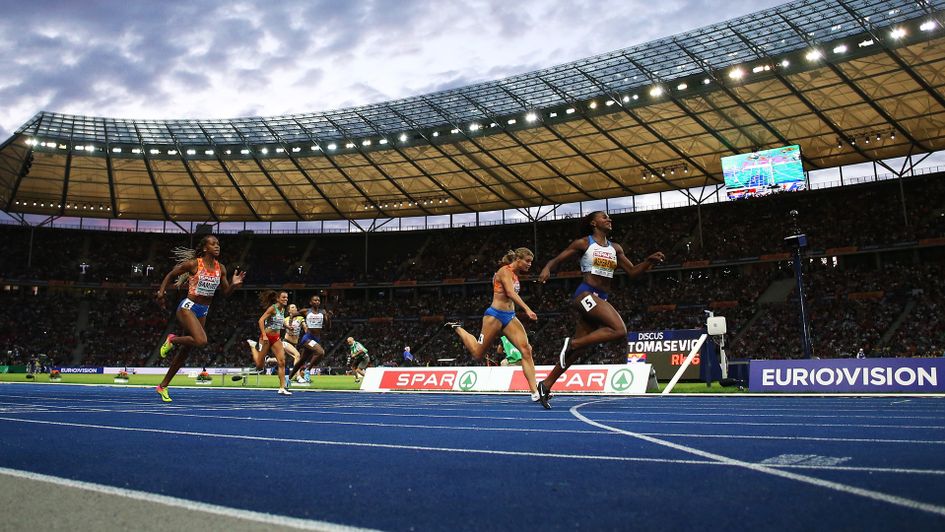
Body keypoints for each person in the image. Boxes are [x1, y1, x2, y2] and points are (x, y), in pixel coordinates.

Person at [536, 211, 664, 408]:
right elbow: (557, 259)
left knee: (578, 351)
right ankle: (572, 343)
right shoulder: (584, 243)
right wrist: (547, 268)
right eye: (604, 217)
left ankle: (546, 384)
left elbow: (632, 272)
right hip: (585, 294)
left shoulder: (616, 248)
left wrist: (648, 261)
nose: (609, 219)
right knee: (619, 330)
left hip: (600, 297)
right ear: (593, 223)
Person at [445, 248, 542, 407]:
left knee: (526, 350)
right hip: (494, 316)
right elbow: (510, 293)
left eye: (531, 261)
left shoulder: (515, 274)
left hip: (509, 317)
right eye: (527, 261)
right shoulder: (504, 271)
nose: (530, 264)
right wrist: (527, 309)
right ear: (518, 259)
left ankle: (535, 392)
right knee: (477, 354)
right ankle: (458, 328)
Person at [155, 235, 245, 403]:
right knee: (201, 341)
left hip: (203, 311)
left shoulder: (221, 268)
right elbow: (171, 274)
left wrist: (233, 284)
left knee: (185, 351)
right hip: (188, 307)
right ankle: (172, 339)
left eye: (218, 244)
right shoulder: (194, 264)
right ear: (205, 248)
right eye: (213, 244)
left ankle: (163, 386)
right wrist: (161, 292)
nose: (217, 246)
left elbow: (225, 293)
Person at [246, 290, 292, 395]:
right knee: (259, 366)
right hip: (266, 338)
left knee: (282, 362)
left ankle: (282, 388)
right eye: (283, 297)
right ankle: (253, 346)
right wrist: (264, 335)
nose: (286, 299)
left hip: (276, 338)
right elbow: (261, 320)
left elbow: (280, 321)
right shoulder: (272, 308)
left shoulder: (283, 309)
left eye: (287, 297)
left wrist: (287, 327)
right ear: (278, 299)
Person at [289, 294, 329, 383]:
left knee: (301, 361)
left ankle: (288, 378)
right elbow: (292, 315)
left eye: (318, 300)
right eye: (315, 300)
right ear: (311, 302)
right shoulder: (306, 311)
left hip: (316, 338)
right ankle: (307, 370)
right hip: (307, 338)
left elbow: (328, 327)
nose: (317, 302)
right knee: (320, 352)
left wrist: (328, 318)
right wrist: (290, 325)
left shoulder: (323, 312)